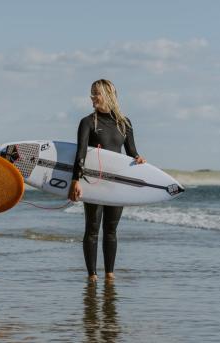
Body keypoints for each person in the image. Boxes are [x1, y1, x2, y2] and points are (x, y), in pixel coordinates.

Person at [68, 79, 146, 282]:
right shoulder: (88, 122)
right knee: (92, 229)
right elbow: (81, 153)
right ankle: (92, 275)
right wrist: (76, 179)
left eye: (96, 93)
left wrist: (139, 159)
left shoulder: (124, 123)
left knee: (111, 230)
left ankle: (110, 274)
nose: (92, 97)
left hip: (116, 184)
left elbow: (131, 153)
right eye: (92, 93)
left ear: (108, 95)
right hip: (94, 182)